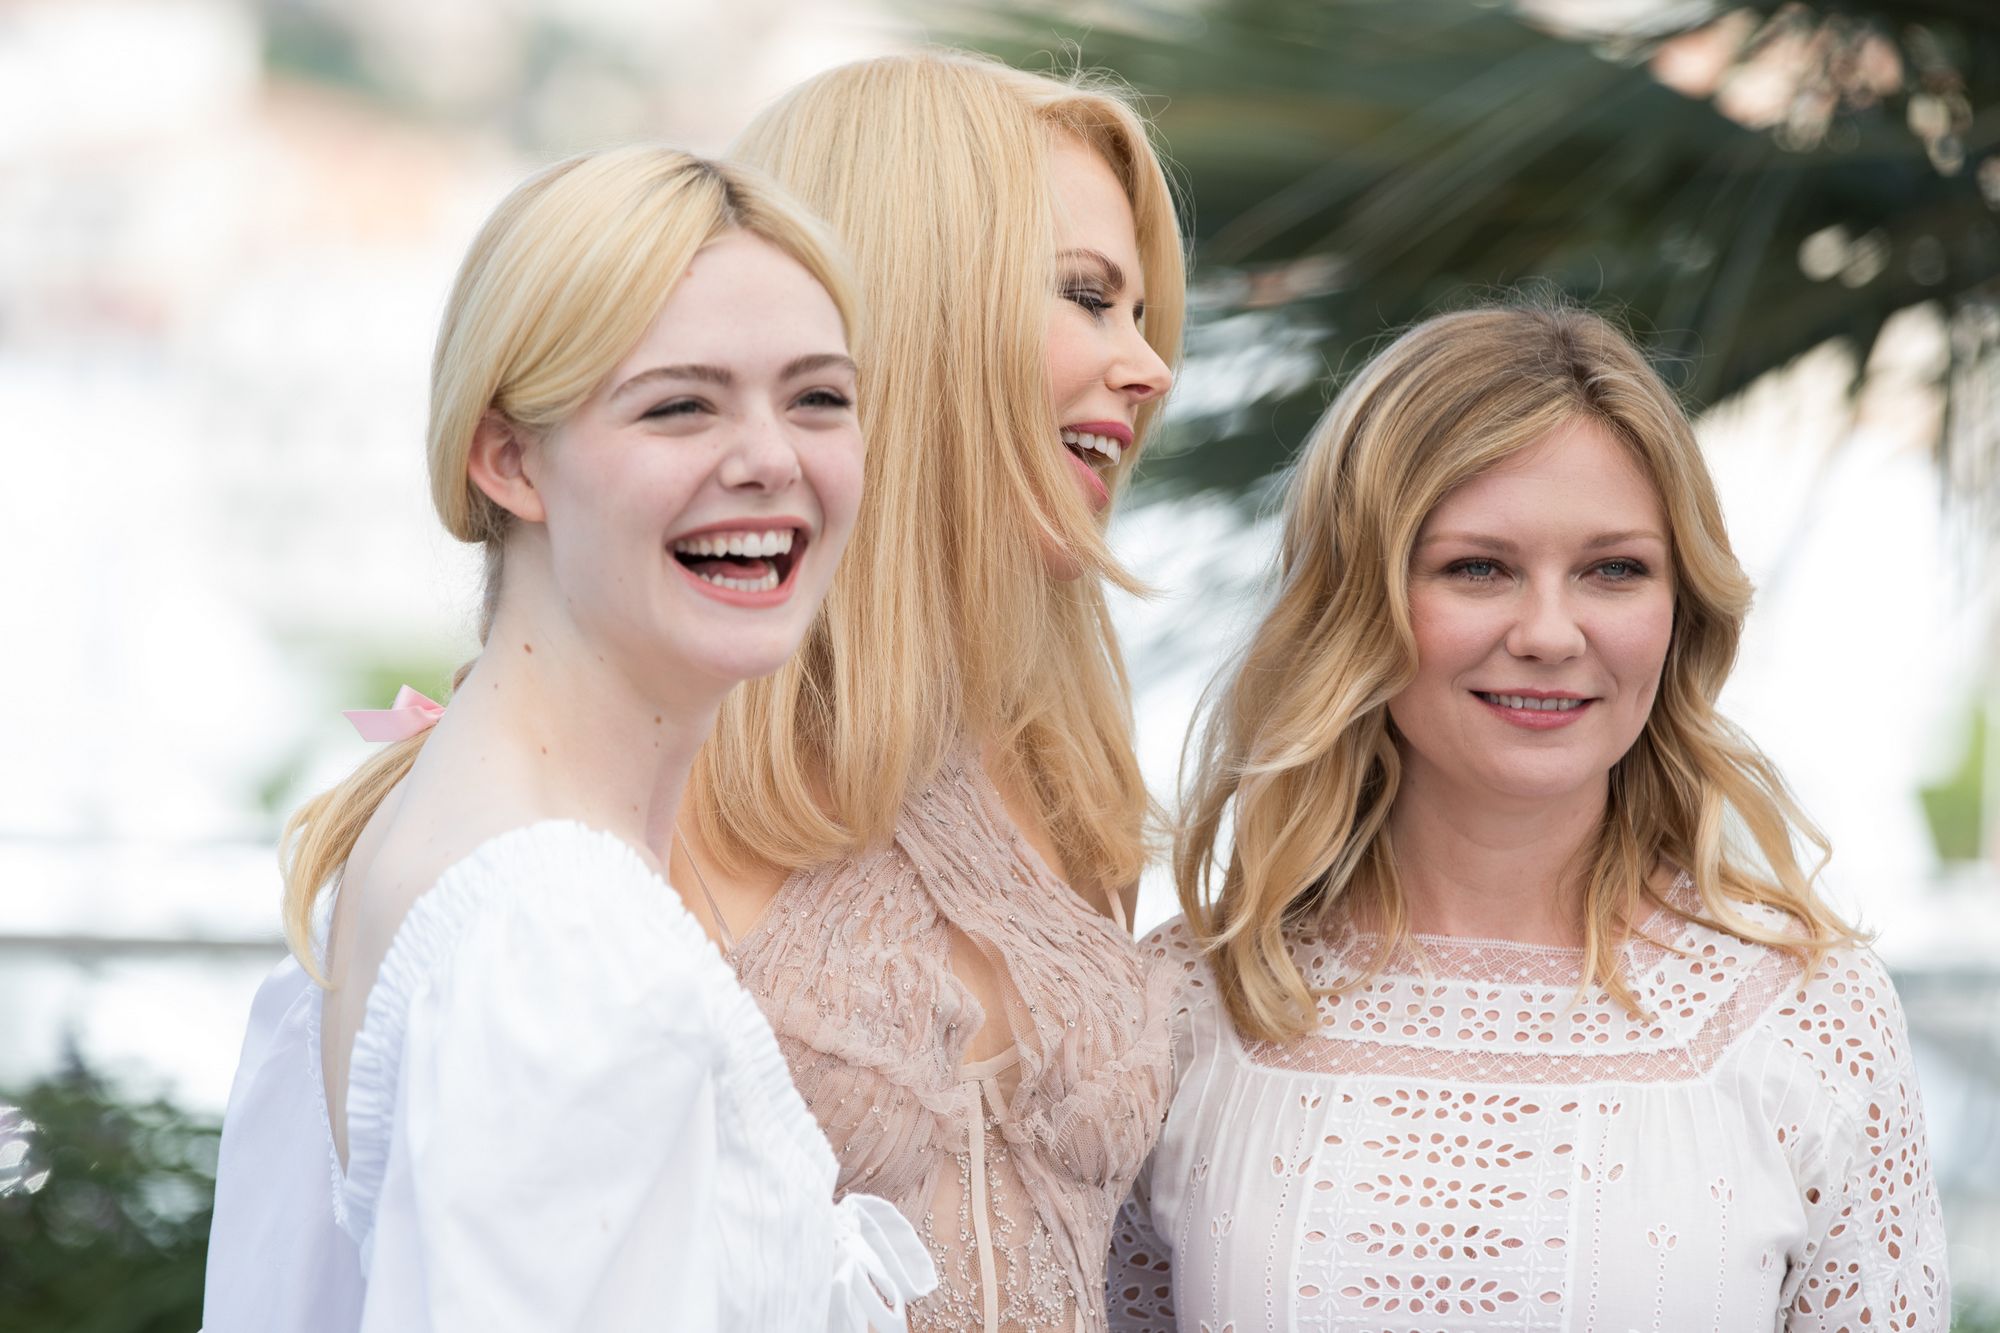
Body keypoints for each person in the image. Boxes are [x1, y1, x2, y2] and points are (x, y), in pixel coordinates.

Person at [202, 145, 934, 1331]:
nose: (770, 459)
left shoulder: (434, 839)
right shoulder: (554, 938)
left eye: (817, 396)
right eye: (679, 405)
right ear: (507, 458)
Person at [1109, 303, 1950, 1330]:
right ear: (1356, 601)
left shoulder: (1808, 1015)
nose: (1550, 632)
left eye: (1613, 569)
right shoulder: (1180, 1010)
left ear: (1678, 608)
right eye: (1477, 566)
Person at [665, 51, 1183, 1332]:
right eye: (1086, 296)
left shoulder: (1066, 778)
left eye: (1136, 313)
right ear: (913, 302)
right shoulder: (628, 771)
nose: (1148, 366)